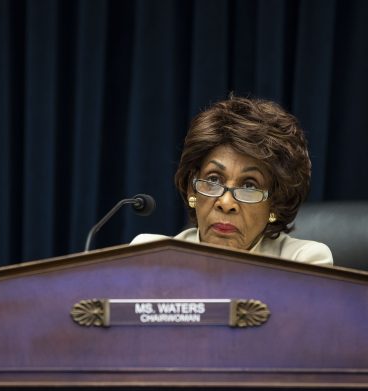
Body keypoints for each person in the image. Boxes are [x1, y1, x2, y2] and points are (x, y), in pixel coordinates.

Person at [131, 96, 333, 266]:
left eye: (249, 185)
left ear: (275, 203)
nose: (226, 203)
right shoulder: (152, 256)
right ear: (192, 189)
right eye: (213, 179)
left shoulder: (302, 261)